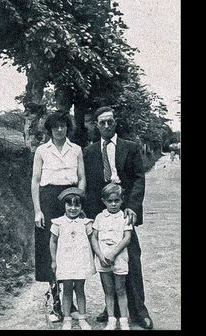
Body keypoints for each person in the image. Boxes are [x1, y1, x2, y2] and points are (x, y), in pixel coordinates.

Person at [83, 106, 154, 329]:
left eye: (110, 122)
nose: (106, 126)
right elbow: (90, 186)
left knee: (131, 257)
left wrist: (132, 206)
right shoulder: (90, 152)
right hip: (101, 212)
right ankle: (111, 308)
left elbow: (138, 179)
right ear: (96, 124)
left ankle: (139, 312)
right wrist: (92, 216)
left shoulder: (130, 148)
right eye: (102, 122)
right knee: (105, 258)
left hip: (123, 209)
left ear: (115, 123)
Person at [32, 111, 86, 322]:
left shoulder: (77, 150)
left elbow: (81, 178)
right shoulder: (41, 151)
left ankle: (70, 302)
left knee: (71, 247)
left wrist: (78, 200)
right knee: (50, 248)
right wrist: (38, 210)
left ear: (67, 127)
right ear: (50, 129)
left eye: (63, 126)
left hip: (70, 199)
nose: (59, 130)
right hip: (48, 199)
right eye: (55, 127)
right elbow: (35, 181)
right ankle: (56, 302)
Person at [50, 187, 95, 330]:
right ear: (64, 205)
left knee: (80, 289)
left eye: (77, 205)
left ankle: (82, 318)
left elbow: (92, 240)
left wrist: (94, 258)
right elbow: (53, 241)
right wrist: (54, 260)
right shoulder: (58, 223)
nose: (73, 208)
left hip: (80, 260)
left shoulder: (86, 223)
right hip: (66, 261)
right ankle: (67, 319)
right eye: (70, 204)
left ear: (81, 206)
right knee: (68, 289)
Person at [91, 183, 133, 330]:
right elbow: (94, 237)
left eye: (117, 200)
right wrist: (100, 255)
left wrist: (114, 253)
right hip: (103, 258)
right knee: (108, 291)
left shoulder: (124, 217)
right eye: (110, 201)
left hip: (119, 257)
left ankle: (124, 320)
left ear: (122, 200)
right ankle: (111, 319)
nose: (114, 204)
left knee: (120, 290)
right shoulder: (99, 217)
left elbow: (127, 238)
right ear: (104, 201)